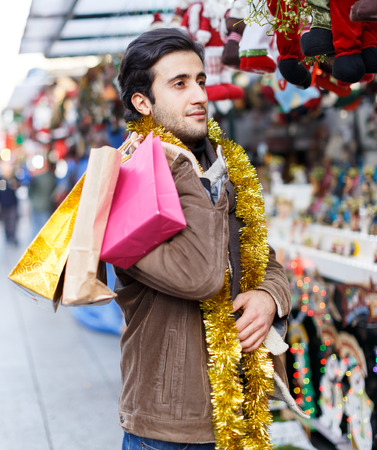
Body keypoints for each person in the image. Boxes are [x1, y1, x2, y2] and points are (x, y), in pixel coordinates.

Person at [114, 28, 306, 450]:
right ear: (142, 102)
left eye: (200, 80)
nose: (199, 94)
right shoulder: (127, 184)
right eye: (179, 84)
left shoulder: (221, 165)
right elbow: (200, 276)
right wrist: (186, 171)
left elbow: (266, 260)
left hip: (241, 412)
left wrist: (269, 297)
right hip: (169, 430)